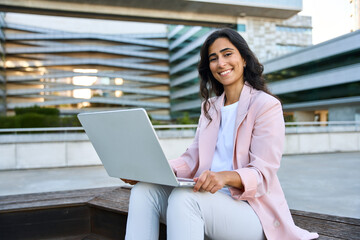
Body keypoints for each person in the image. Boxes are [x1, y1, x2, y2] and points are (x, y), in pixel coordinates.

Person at [123, 28, 319, 240]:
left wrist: (225, 177)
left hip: (252, 212)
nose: (221, 63)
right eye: (214, 58)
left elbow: (263, 174)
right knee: (144, 191)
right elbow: (191, 160)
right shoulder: (210, 107)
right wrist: (150, 171)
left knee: (184, 199)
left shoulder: (265, 105)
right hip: (209, 202)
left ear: (243, 59)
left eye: (227, 54)